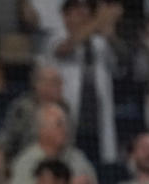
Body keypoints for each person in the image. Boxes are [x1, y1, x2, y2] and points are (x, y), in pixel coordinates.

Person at [48, 0, 123, 164]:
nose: (84, 14)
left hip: (96, 122)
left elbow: (121, 64)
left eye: (87, 10)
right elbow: (64, 49)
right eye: (78, 10)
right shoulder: (56, 36)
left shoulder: (99, 42)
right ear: (65, 15)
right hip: (69, 120)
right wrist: (99, 19)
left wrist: (111, 34)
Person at [6, 102, 98, 184]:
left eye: (66, 124)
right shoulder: (25, 161)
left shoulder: (78, 158)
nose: (66, 129)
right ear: (42, 130)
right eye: (59, 124)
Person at [0, 62, 66, 184]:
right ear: (39, 85)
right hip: (26, 170)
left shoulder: (65, 109)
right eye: (55, 83)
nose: (60, 87)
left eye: (59, 83)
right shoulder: (23, 110)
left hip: (59, 169)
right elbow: (0, 148)